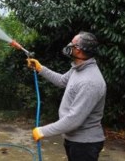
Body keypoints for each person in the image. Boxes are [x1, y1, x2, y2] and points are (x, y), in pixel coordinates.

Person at [27, 31, 106, 161]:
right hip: (74, 140)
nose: (69, 45)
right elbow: (62, 81)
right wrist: (40, 68)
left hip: (84, 145)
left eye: (72, 44)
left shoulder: (90, 82)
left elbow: (73, 120)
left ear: (79, 50)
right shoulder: (78, 68)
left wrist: (43, 131)